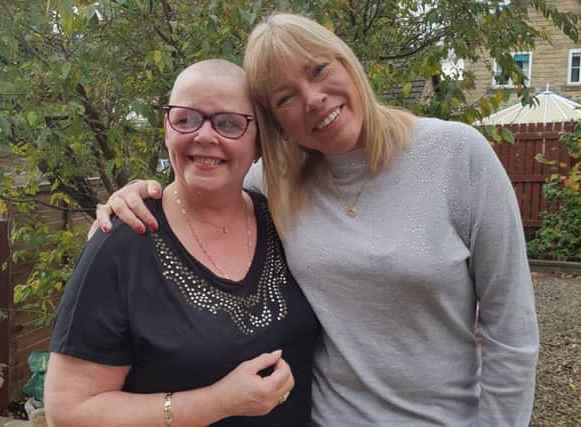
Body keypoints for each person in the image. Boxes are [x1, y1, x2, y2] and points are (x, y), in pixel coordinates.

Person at [93, 13, 539, 426]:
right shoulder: (274, 183)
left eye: (319, 70)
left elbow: (512, 336)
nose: (313, 99)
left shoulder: (458, 157)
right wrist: (137, 193)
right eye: (286, 97)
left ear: (347, 63)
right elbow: (202, 183)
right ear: (276, 125)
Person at [45, 59, 319, 427]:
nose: (205, 136)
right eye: (187, 119)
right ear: (167, 129)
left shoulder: (285, 223)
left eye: (229, 123)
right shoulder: (123, 243)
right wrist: (215, 403)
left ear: (259, 142)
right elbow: (69, 412)